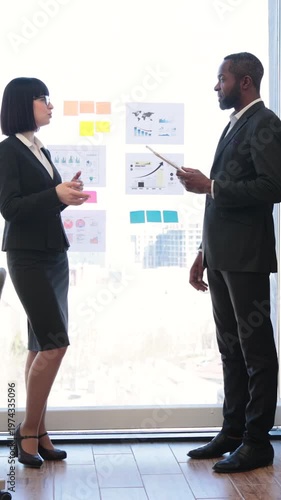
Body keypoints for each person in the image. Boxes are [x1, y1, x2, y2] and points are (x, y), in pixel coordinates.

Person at [177, 52, 281, 473]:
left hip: (246, 256)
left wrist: (211, 185)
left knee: (256, 351)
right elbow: (222, 195)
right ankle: (232, 431)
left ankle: (257, 442)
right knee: (230, 348)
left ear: (244, 82)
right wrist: (204, 252)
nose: (215, 86)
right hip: (221, 255)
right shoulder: (236, 124)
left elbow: (273, 187)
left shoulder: (266, 124)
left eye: (221, 79)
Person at [0, 77, 89, 468]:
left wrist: (64, 195)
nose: (50, 106)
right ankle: (27, 432)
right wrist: (55, 195)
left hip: (54, 254)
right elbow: (11, 208)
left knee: (40, 345)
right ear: (24, 103)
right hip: (28, 256)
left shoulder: (40, 149)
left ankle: (40, 430)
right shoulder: (7, 152)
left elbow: (43, 205)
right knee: (55, 344)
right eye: (43, 99)